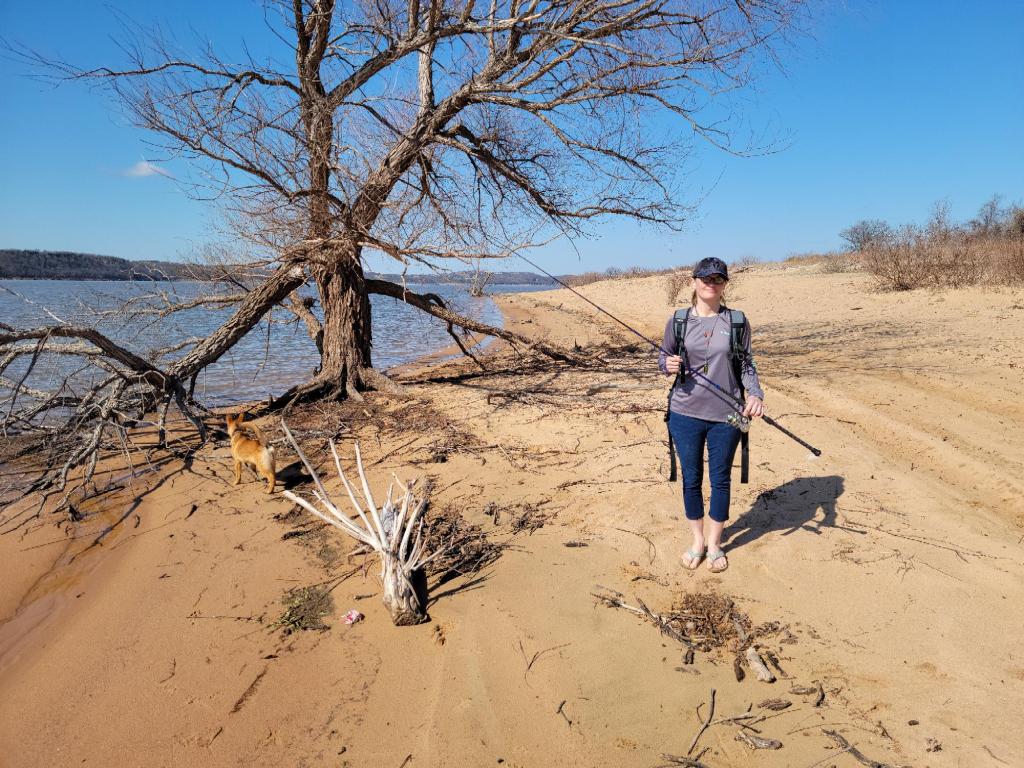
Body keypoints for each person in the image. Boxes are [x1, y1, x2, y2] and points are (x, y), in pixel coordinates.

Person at [659, 257, 764, 573]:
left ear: (725, 284)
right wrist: (667, 364)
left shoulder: (737, 321)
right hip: (684, 413)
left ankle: (715, 543)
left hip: (727, 415)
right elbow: (663, 356)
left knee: (720, 479)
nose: (711, 284)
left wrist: (754, 394)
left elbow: (746, 364)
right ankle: (697, 541)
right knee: (691, 479)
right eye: (705, 278)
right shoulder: (678, 321)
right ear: (694, 281)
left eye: (718, 279)